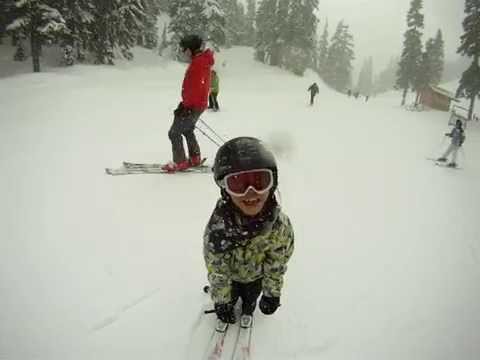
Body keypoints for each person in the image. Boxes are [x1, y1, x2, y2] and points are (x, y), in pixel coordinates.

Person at [203, 137, 295, 325]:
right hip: (232, 276)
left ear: (273, 184)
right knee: (231, 294)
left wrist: (271, 293)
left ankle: (248, 304)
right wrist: (222, 300)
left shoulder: (279, 228)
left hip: (256, 277)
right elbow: (217, 268)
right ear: (225, 189)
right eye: (238, 184)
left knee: (250, 298)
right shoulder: (218, 229)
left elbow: (277, 263)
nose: (251, 192)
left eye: (260, 181)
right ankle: (232, 297)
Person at [161, 34, 214, 172]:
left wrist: (187, 106)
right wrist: (185, 104)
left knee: (174, 133)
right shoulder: (201, 61)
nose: (183, 53)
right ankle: (195, 158)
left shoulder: (198, 63)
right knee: (187, 129)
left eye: (184, 50)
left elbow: (196, 87)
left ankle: (180, 162)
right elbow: (197, 87)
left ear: (190, 50)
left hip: (193, 105)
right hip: (196, 104)